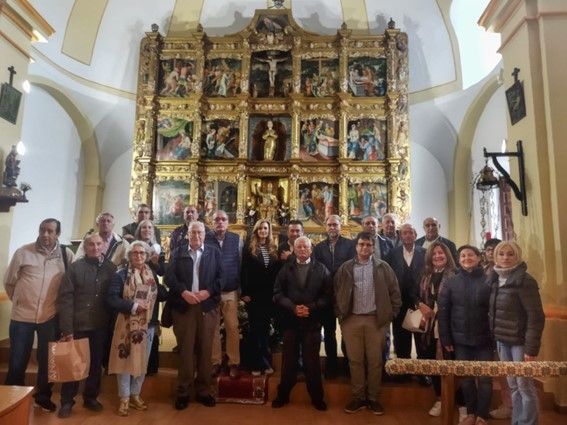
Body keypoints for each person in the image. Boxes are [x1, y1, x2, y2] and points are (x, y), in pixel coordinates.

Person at [4, 218, 75, 412]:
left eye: (50, 231)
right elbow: (9, 281)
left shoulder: (66, 254)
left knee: (47, 361)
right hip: (21, 317)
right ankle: (11, 400)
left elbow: (69, 284)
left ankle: (43, 397)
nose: (45, 234)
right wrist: (20, 300)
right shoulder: (23, 252)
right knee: (18, 360)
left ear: (57, 234)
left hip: (50, 316)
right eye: (42, 230)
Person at [334, 231, 401, 415]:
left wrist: (389, 315)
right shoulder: (346, 268)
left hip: (375, 321)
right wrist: (341, 316)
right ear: (356, 246)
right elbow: (336, 291)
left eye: (368, 245)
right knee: (355, 361)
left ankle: (372, 398)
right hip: (352, 321)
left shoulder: (383, 267)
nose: (364, 248)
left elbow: (395, 293)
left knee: (375, 361)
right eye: (361, 244)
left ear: (373, 247)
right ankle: (358, 398)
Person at [56, 233, 116, 418]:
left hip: (100, 325)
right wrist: (67, 330)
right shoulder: (75, 268)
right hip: (78, 325)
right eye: (91, 244)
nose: (96, 247)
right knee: (74, 365)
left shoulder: (111, 268)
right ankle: (67, 401)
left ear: (104, 246)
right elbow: (65, 300)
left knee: (96, 365)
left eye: (99, 244)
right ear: (85, 246)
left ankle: (90, 398)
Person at [165, 221, 222, 410]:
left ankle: (204, 390)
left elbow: (222, 278)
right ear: (187, 234)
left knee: (206, 351)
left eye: (200, 232)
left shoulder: (214, 252)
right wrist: (183, 292)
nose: (196, 235)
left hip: (207, 307)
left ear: (205, 234)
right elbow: (169, 277)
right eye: (193, 232)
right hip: (185, 307)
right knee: (186, 351)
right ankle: (183, 391)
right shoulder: (178, 252)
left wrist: (208, 292)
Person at [107, 241, 166, 416]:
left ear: (147, 256)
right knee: (124, 360)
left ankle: (135, 395)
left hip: (148, 324)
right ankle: (124, 398)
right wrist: (132, 307)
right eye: (135, 253)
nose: (138, 256)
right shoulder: (120, 275)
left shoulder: (151, 274)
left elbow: (161, 294)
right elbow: (111, 299)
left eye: (142, 253)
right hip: (126, 324)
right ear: (129, 256)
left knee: (142, 361)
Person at [272, 236, 331, 411]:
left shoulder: (321, 269)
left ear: (311, 249)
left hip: (312, 322)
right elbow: (277, 293)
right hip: (290, 321)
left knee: (311, 362)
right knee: (288, 361)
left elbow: (328, 296)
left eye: (306, 246)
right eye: (299, 247)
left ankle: (317, 398)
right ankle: (283, 395)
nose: (302, 249)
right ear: (294, 250)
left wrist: (311, 308)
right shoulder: (285, 269)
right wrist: (292, 307)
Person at [488, 241, 545, 425]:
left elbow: (535, 317)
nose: (505, 258)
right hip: (502, 340)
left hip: (519, 342)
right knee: (513, 385)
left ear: (517, 256)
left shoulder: (525, 281)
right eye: (501, 254)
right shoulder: (495, 278)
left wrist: (531, 348)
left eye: (510, 254)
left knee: (524, 385)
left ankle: (528, 422)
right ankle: (517, 421)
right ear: (495, 256)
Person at [439, 245, 493, 425]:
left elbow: (493, 311)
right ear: (459, 259)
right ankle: (471, 412)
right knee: (467, 378)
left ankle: (482, 415)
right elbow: (444, 312)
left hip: (484, 339)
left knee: (485, 378)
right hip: (460, 340)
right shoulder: (451, 282)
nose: (466, 258)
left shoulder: (488, 280)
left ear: (479, 258)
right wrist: (445, 337)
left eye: (470, 255)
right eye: (462, 256)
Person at [415, 241, 459, 417]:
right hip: (429, 326)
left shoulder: (456, 274)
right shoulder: (425, 275)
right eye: (434, 254)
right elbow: (415, 294)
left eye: (441, 253)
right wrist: (420, 304)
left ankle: (462, 404)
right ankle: (440, 398)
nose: (437, 256)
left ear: (447, 255)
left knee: (453, 364)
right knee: (433, 362)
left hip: (450, 326)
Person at [312, 214, 356, 378]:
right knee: (329, 332)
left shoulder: (350, 245)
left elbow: (352, 266)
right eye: (329, 225)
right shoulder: (318, 247)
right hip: (327, 295)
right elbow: (317, 269)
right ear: (325, 227)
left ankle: (348, 365)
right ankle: (331, 366)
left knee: (347, 332)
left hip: (345, 294)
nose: (332, 228)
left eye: (335, 225)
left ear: (340, 226)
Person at [205, 210, 243, 379]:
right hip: (211, 291)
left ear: (228, 222)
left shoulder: (236, 239)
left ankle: (233, 362)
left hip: (230, 290)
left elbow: (240, 264)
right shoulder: (205, 238)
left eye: (223, 219)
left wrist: (241, 288)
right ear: (212, 222)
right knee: (213, 328)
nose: (220, 222)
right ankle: (215, 362)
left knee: (232, 327)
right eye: (217, 219)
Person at [241, 219, 281, 375]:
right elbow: (243, 271)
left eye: (265, 228)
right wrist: (244, 293)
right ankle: (256, 365)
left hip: (268, 296)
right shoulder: (249, 249)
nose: (263, 231)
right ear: (256, 231)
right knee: (254, 330)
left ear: (268, 231)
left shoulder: (273, 249)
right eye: (260, 228)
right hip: (253, 296)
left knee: (264, 330)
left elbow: (275, 273)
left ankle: (265, 363)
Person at [385, 223, 426, 362]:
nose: (408, 235)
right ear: (400, 236)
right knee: (401, 337)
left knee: (421, 338)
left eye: (411, 233)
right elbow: (388, 277)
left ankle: (423, 372)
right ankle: (404, 370)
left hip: (419, 302)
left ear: (415, 235)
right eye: (404, 233)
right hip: (399, 302)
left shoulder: (425, 253)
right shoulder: (392, 254)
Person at [481, 238, 512, 420]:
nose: (491, 253)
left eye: (495, 249)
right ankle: (506, 403)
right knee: (498, 368)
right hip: (487, 326)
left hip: (503, 327)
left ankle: (510, 405)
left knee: (507, 368)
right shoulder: (484, 271)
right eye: (488, 250)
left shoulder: (507, 273)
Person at [133, 219, 166, 375]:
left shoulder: (158, 248)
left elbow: (161, 271)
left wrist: (155, 263)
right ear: (139, 230)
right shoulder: (133, 246)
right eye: (143, 227)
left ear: (153, 231)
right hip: (134, 288)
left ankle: (151, 366)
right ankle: (132, 365)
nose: (147, 230)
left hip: (151, 289)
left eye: (150, 227)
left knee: (151, 325)